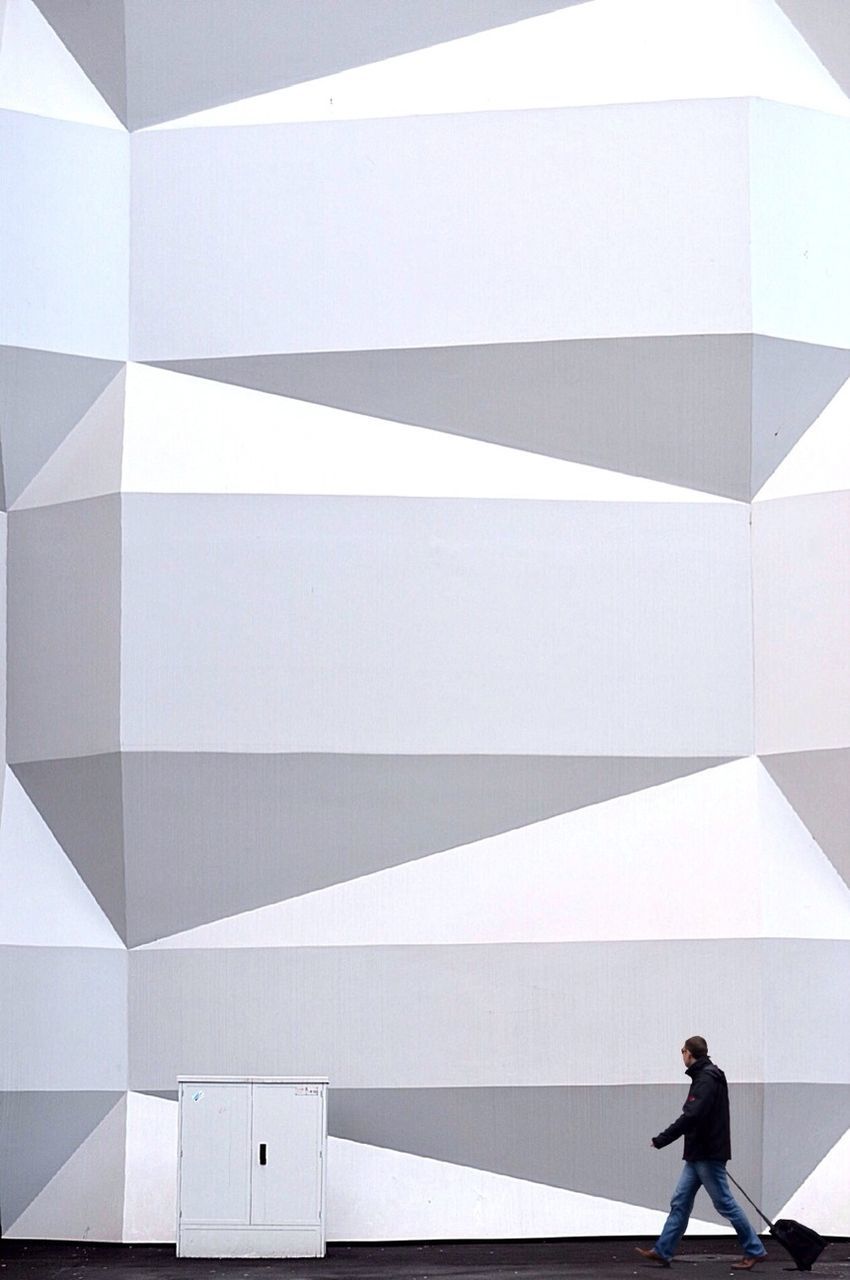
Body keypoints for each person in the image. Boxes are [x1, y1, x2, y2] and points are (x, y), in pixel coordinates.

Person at [635, 1036, 768, 1270]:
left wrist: (662, 1139)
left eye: (682, 1051)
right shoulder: (706, 1076)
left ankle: (754, 1249)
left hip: (707, 1153)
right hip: (699, 1154)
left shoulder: (706, 1078)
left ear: (689, 1053)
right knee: (680, 1201)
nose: (682, 1055)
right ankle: (663, 1251)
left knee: (725, 1203)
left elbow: (692, 1115)